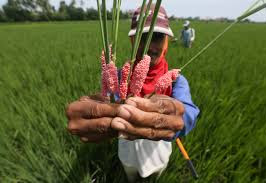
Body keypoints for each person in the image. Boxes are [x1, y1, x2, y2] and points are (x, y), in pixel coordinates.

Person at [66, 5, 199, 183]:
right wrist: (99, 111)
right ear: (132, 40)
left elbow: (189, 112)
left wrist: (178, 118)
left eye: (157, 37)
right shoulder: (120, 75)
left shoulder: (175, 80)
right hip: (127, 146)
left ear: (167, 41)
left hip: (158, 149)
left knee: (157, 172)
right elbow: (108, 100)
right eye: (143, 38)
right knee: (130, 171)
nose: (150, 47)